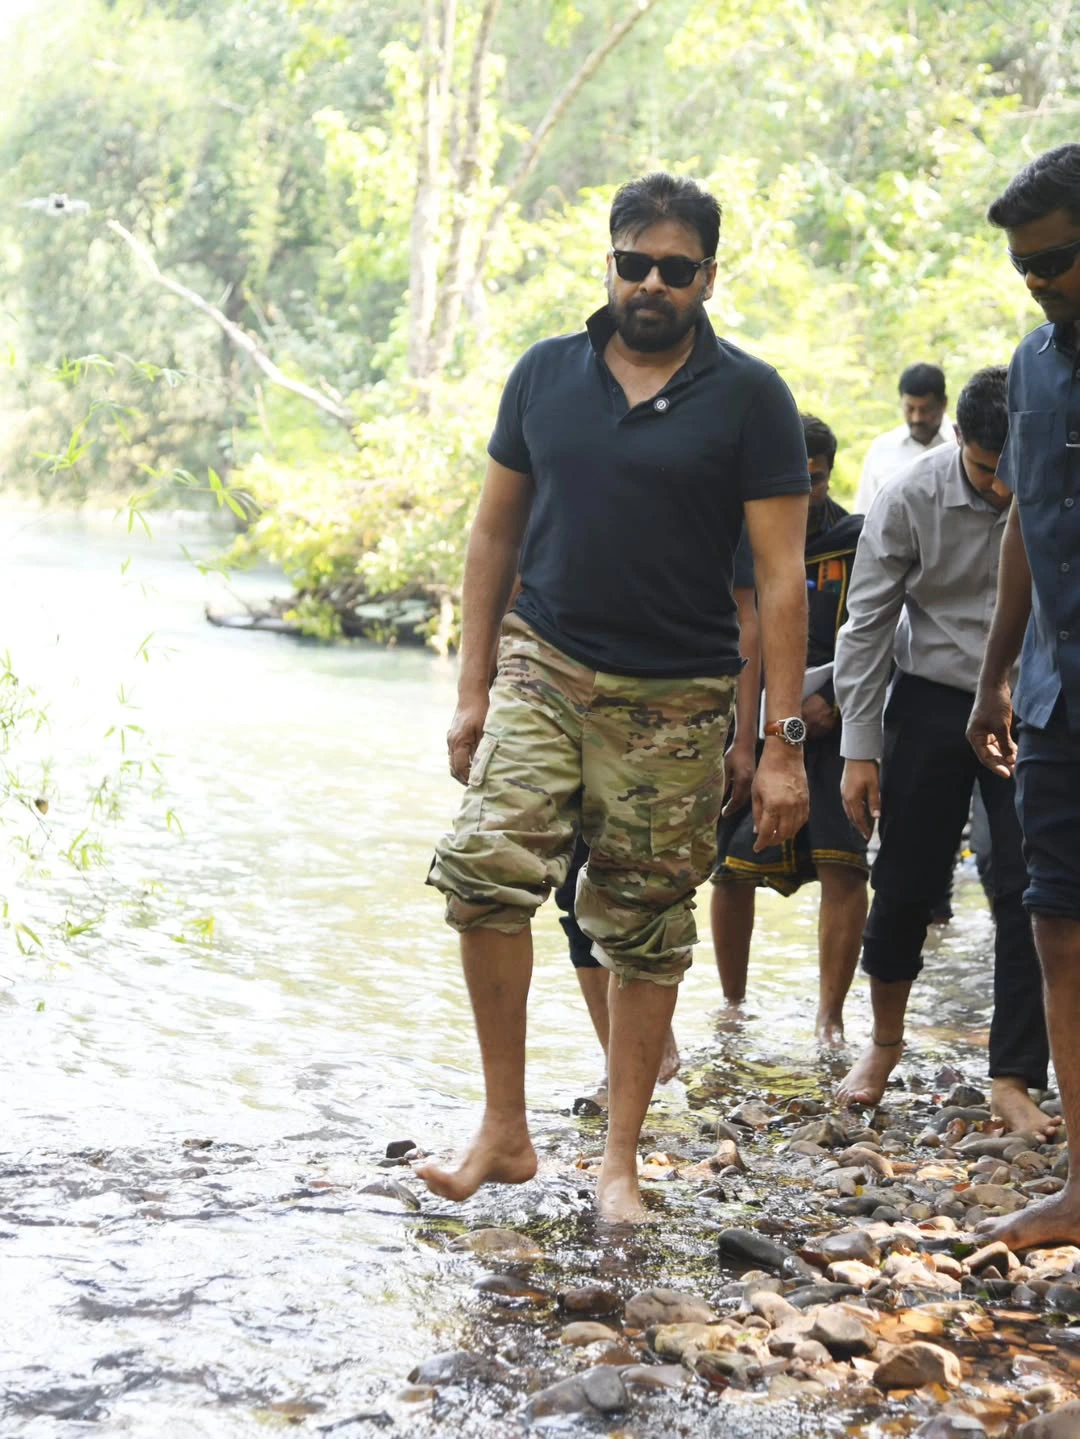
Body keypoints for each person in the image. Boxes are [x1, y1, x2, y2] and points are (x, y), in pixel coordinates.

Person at [422, 171, 811, 1224]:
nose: (650, 283)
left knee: (641, 922)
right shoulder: (545, 375)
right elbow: (493, 533)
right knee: (487, 877)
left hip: (676, 697)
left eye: (674, 270)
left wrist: (780, 743)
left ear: (707, 278)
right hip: (543, 666)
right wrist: (471, 687)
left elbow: (778, 579)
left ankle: (619, 1163)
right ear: (609, 261)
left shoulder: (752, 398)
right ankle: (505, 1127)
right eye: (632, 262)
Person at [835, 366, 1051, 1134]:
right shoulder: (908, 494)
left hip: (1031, 703)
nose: (1003, 491)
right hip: (930, 698)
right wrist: (859, 749)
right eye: (990, 472)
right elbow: (864, 627)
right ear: (960, 440)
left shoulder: (1050, 484)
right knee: (903, 883)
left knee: (1033, 886)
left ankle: (1016, 1073)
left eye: (1013, 472)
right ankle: (883, 1044)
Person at [968, 143, 1080, 1246]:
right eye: (1025, 269)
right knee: (1056, 920)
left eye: (1055, 261)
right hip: (1054, 690)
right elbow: (1024, 522)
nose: (1039, 282)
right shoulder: (1034, 367)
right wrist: (995, 672)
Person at [557, 542, 761, 1102]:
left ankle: (641, 1040)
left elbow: (748, 613)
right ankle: (617, 1067)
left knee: (651, 889)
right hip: (570, 692)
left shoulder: (713, 487)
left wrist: (748, 741)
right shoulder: (566, 481)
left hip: (676, 711)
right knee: (572, 887)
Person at [711, 415, 869, 1047]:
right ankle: (732, 1006)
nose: (807, 495)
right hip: (748, 718)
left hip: (834, 718)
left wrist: (833, 696)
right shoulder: (741, 534)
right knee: (730, 866)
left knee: (845, 865)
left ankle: (829, 1017)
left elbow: (880, 623)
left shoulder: (858, 540)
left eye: (818, 480)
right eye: (795, 482)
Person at [854, 363, 953, 515]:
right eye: (910, 408)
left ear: (943, 404)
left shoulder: (961, 446)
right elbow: (864, 513)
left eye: (925, 410)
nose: (917, 418)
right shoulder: (882, 449)